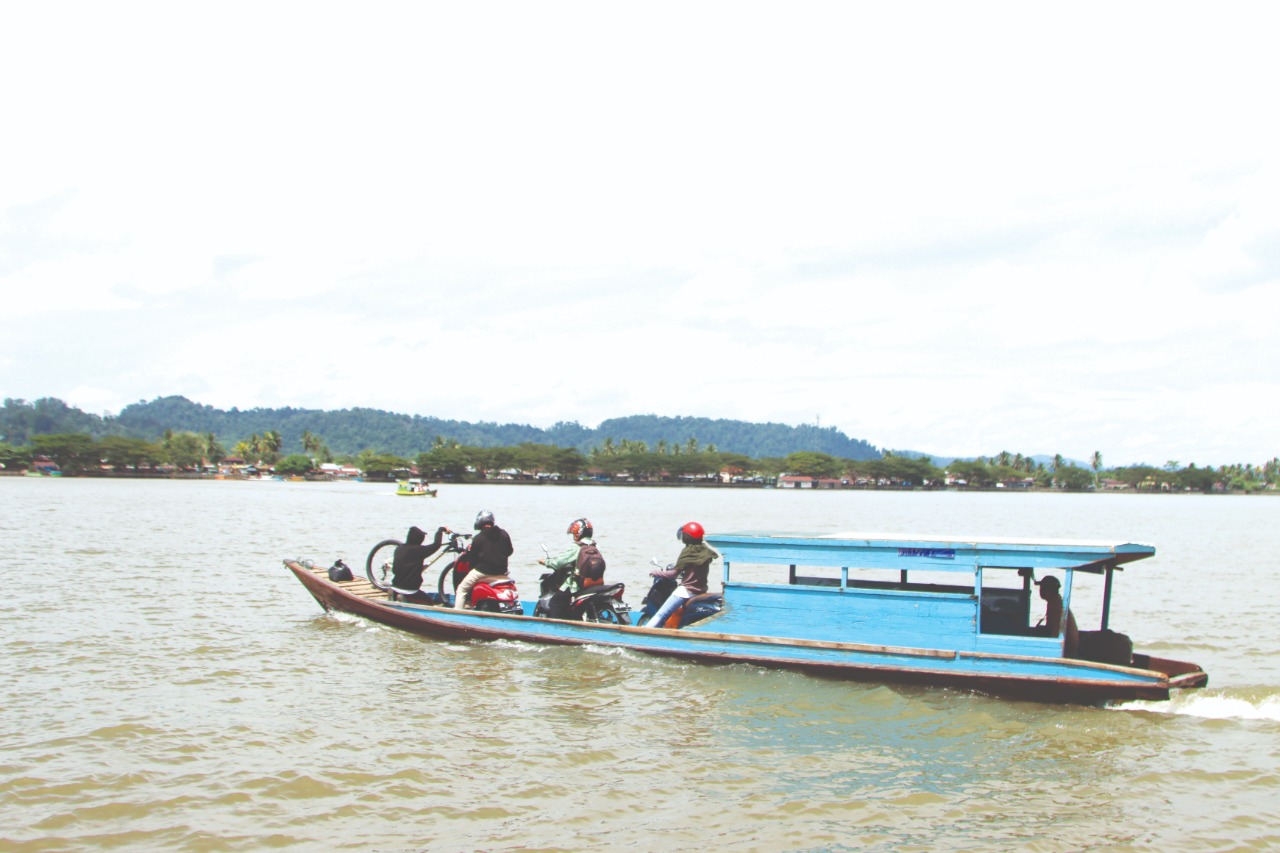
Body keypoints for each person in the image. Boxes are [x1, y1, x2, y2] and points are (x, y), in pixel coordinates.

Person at [645, 521, 719, 628]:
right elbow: (696, 568)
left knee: (661, 614)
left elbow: (672, 574)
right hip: (700, 591)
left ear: (687, 537)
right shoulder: (706, 551)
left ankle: (645, 633)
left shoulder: (688, 551)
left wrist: (657, 573)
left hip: (686, 591)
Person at [453, 510, 514, 609]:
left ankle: (457, 614)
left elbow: (472, 559)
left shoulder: (478, 538)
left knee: (462, 589)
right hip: (501, 571)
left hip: (483, 571)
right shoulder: (504, 534)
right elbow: (510, 551)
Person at [538, 517, 605, 594]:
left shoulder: (577, 547)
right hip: (596, 585)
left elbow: (559, 562)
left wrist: (546, 562)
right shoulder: (596, 547)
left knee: (554, 603)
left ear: (578, 533)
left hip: (576, 587)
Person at [390, 524, 450, 603]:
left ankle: (395, 594)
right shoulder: (420, 550)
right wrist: (440, 530)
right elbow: (436, 545)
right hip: (410, 590)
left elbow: (395, 570)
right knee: (430, 602)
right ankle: (406, 599)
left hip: (395, 586)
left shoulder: (399, 548)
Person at [1037, 575, 1079, 657]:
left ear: (1047, 590)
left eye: (1042, 587)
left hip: (1067, 651)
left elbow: (1056, 632)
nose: (1040, 590)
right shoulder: (1055, 602)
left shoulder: (1056, 605)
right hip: (1067, 648)